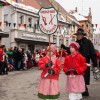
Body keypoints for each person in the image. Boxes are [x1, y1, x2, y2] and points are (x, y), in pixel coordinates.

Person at [74, 28, 99, 96]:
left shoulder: (88, 42)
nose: (78, 36)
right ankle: (82, 90)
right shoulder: (76, 43)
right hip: (77, 64)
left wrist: (95, 65)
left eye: (80, 35)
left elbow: (93, 53)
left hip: (86, 63)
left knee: (84, 77)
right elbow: (71, 50)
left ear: (82, 35)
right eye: (77, 35)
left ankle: (84, 90)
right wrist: (65, 47)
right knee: (78, 77)